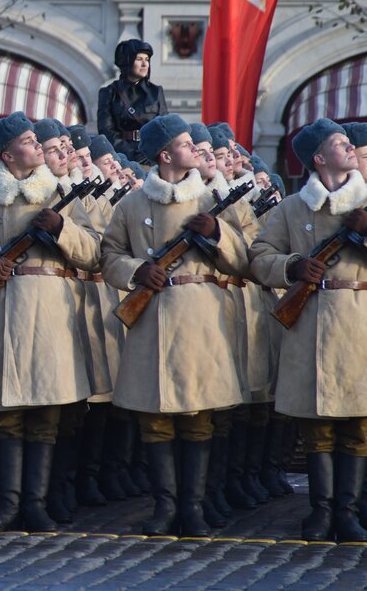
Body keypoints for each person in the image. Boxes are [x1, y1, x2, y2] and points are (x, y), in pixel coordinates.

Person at [100, 114, 247, 537]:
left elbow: (245, 258)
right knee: (156, 417)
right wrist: (138, 271)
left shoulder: (212, 197)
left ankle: (194, 507)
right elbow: (109, 256)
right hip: (152, 313)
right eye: (186, 144)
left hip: (200, 312)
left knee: (198, 414)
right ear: (165, 155)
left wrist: (217, 231)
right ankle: (165, 507)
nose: (196, 149)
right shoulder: (131, 204)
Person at [0, 112, 98, 532]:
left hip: (50, 306)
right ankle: (8, 504)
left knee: (46, 414)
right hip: (0, 307)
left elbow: (92, 252)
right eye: (29, 141)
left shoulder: (62, 193)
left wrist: (62, 228)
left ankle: (35, 504)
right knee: (8, 413)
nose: (37, 145)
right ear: (7, 154)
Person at [250, 118, 367, 542]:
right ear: (318, 157)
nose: (350, 148)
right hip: (309, 320)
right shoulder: (293, 207)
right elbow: (258, 255)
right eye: (340, 143)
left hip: (362, 317)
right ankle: (321, 511)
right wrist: (291, 266)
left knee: (358, 424)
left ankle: (347, 511)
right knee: (317, 427)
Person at [97, 40, 167, 165]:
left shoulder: (156, 92)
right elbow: (106, 131)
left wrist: (150, 152)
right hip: (121, 158)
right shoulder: (109, 93)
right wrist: (129, 154)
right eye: (139, 59)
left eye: (147, 59)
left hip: (152, 156)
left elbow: (165, 127)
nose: (145, 64)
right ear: (127, 61)